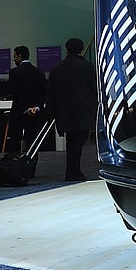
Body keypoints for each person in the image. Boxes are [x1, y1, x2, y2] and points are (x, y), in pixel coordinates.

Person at [46, 37, 96, 181]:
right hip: (83, 111)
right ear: (81, 50)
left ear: (66, 49)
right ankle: (74, 171)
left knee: (71, 142)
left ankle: (72, 170)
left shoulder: (57, 68)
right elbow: (94, 89)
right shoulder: (88, 66)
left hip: (65, 112)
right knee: (78, 143)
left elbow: (51, 92)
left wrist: (51, 112)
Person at [6, 45, 47, 153]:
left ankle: (14, 165)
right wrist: (36, 107)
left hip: (19, 112)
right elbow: (44, 93)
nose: (14, 59)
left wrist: (26, 108)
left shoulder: (14, 72)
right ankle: (31, 165)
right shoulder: (39, 72)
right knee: (33, 142)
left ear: (20, 56)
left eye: (15, 56)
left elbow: (14, 93)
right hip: (35, 113)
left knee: (15, 140)